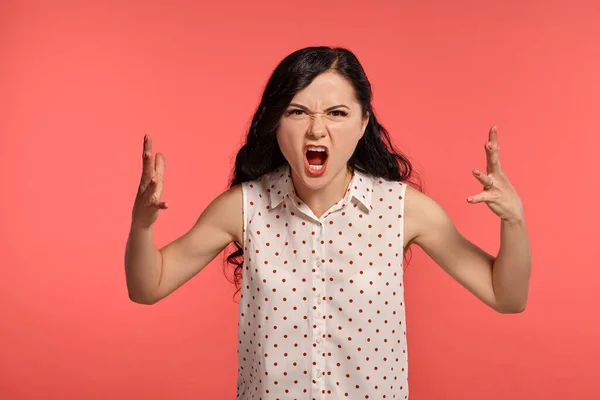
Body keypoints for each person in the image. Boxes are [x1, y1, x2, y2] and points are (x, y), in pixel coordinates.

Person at [124, 46, 531, 399]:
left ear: (363, 123)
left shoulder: (404, 210)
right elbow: (148, 287)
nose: (316, 129)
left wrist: (513, 220)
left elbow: (506, 297)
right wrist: (141, 226)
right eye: (298, 112)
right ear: (275, 123)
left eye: (336, 113)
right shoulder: (243, 207)